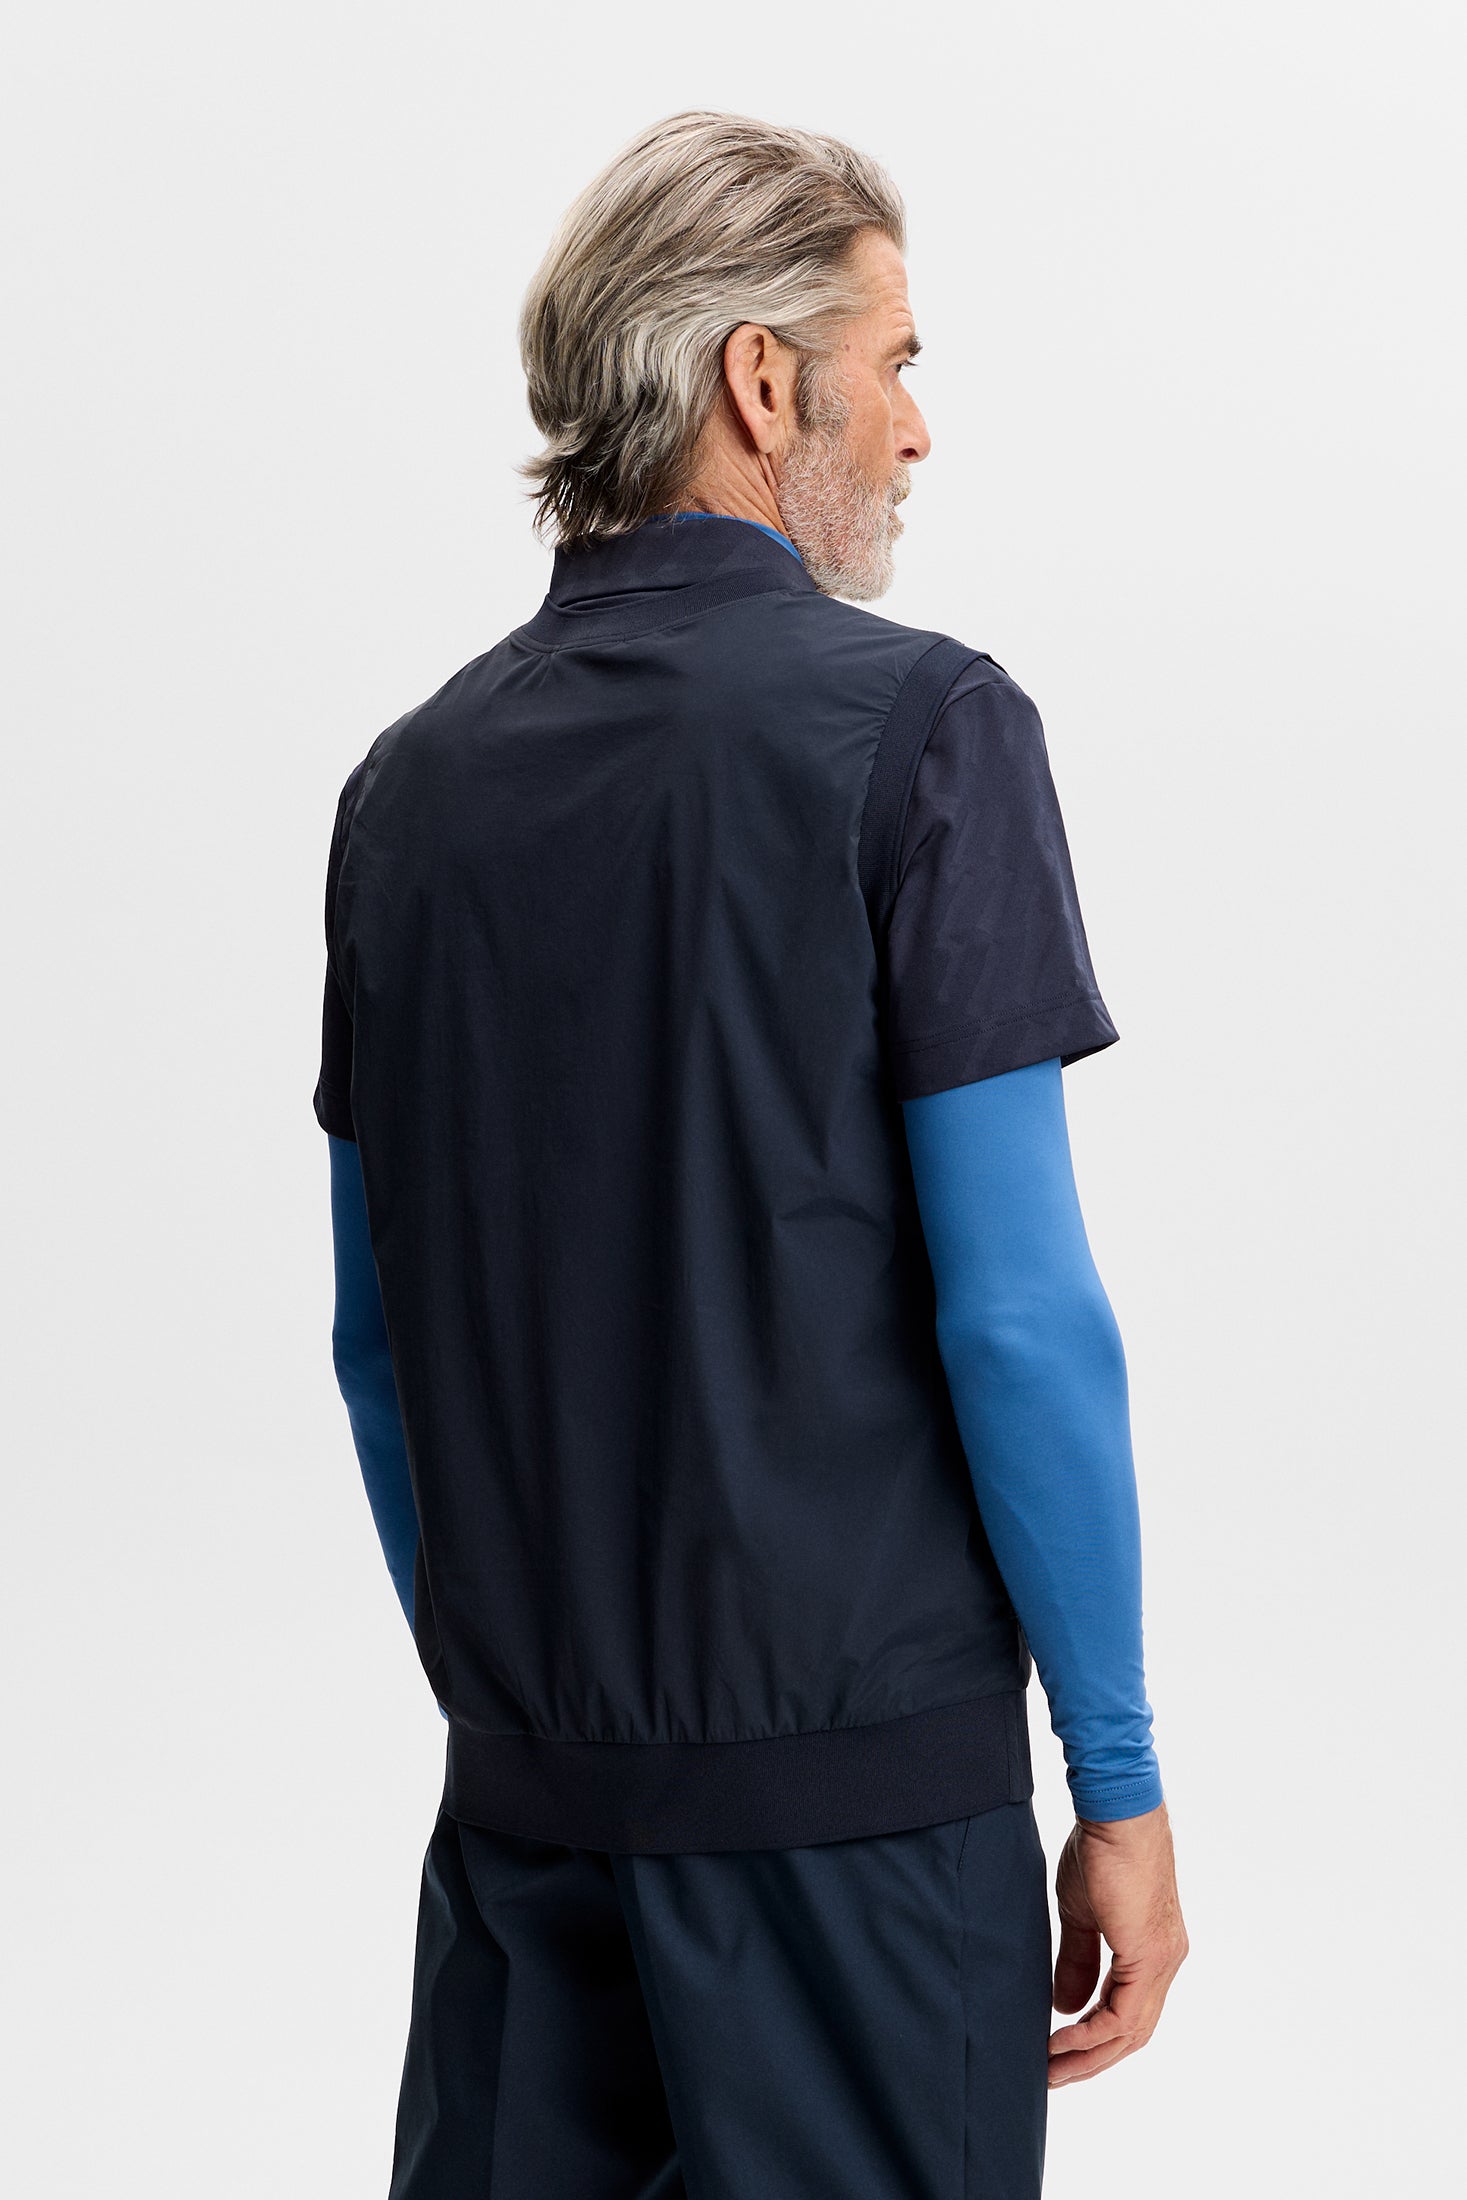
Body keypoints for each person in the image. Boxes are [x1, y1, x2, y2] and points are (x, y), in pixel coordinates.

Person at [314, 109, 1188, 2200]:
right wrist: (1120, 1778)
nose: (917, 428)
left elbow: (375, 1347)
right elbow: (1018, 1316)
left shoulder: (404, 793)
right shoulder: (928, 733)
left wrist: (540, 1708)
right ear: (762, 379)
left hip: (525, 1832)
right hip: (856, 1836)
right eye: (896, 361)